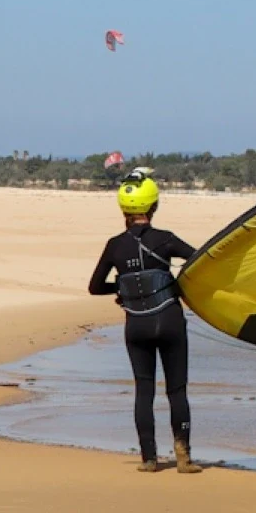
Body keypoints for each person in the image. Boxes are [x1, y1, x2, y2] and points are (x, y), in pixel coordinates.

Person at [88, 169, 201, 473]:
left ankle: (149, 459)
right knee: (176, 390)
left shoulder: (115, 245)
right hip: (169, 320)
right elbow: (201, 261)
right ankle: (183, 457)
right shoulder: (166, 240)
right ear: (154, 205)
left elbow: (95, 287)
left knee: (144, 390)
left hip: (136, 325)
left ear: (123, 208)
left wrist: (123, 287)